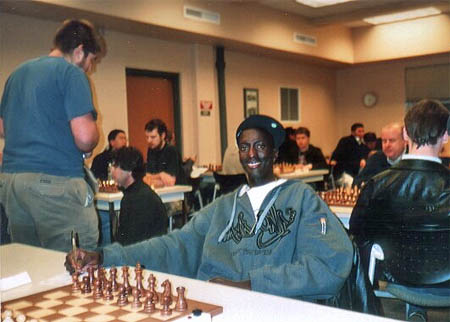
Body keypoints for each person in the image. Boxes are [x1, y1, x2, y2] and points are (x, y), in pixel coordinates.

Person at [66, 114, 353, 301]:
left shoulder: (302, 199)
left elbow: (329, 265)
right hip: (214, 306)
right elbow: (173, 246)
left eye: (260, 146)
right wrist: (104, 257)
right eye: (244, 147)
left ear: (275, 152)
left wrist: (250, 285)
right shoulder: (222, 208)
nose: (251, 154)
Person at [0, 19, 103, 252]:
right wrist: (90, 144)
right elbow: (85, 137)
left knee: (31, 262)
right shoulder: (72, 74)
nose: (90, 68)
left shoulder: (17, 74)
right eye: (91, 60)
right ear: (79, 52)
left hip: (13, 184)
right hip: (55, 182)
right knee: (79, 262)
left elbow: (3, 128)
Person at [349, 99, 450, 284]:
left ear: (405, 133)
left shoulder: (377, 184)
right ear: (445, 136)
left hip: (393, 274)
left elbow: (357, 229)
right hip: (446, 280)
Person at [111, 147, 167, 246]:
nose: (112, 171)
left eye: (115, 167)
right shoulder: (137, 193)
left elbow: (132, 243)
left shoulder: (139, 199)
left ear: (128, 170)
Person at [353, 123, 406, 187]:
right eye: (384, 141)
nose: (387, 145)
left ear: (405, 142)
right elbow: (358, 182)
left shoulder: (412, 160)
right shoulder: (375, 158)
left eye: (392, 141)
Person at [143, 119, 186, 188]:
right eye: (147, 137)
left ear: (162, 136)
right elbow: (147, 177)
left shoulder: (171, 150)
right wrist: (161, 175)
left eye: (153, 137)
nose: (149, 140)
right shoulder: (151, 150)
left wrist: (155, 178)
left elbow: (170, 181)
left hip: (176, 193)